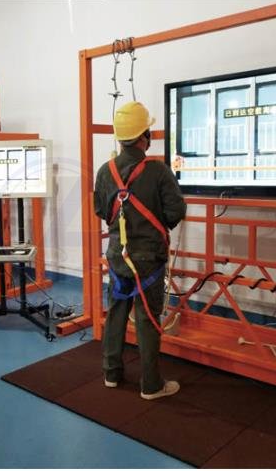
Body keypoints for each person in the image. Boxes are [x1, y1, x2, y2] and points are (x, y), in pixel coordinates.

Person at [94, 101, 187, 400]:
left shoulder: (105, 171)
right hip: (148, 260)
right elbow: (176, 211)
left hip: (117, 257)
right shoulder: (157, 171)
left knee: (116, 313)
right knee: (147, 318)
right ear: (144, 136)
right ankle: (151, 385)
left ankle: (111, 374)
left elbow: (101, 210)